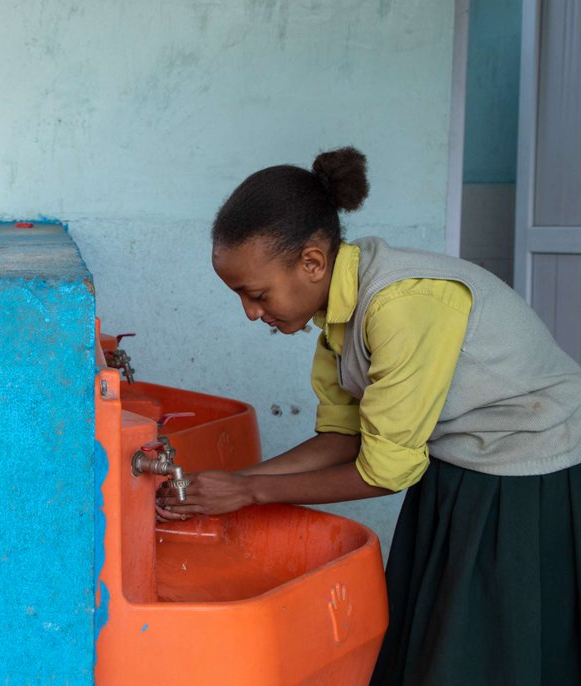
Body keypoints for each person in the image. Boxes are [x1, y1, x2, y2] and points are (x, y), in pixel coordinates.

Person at [156, 147, 581, 684]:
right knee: (425, 645)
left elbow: (384, 473)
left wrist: (249, 493)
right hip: (458, 467)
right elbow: (341, 438)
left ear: (312, 262)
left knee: (488, 655)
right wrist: (227, 484)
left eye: (256, 294)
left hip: (529, 474)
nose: (250, 312)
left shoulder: (401, 305)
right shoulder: (337, 319)